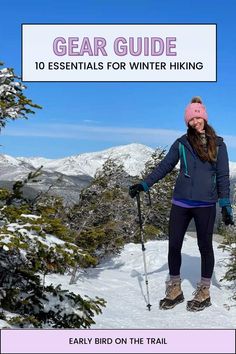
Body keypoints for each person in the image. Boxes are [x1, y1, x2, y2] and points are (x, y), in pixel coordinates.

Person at [129, 96, 234, 312]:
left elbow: (223, 176)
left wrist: (225, 205)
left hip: (205, 204)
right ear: (188, 123)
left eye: (198, 117)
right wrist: (144, 184)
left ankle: (204, 290)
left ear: (204, 117)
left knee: (205, 246)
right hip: (181, 203)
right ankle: (175, 289)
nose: (195, 122)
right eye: (191, 120)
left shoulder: (220, 145)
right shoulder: (182, 143)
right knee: (174, 245)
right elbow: (165, 166)